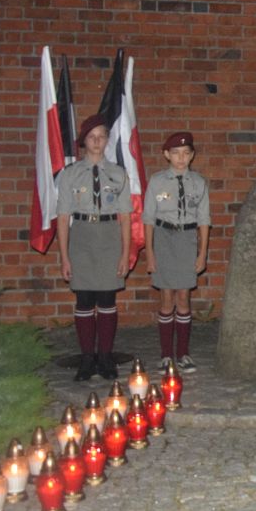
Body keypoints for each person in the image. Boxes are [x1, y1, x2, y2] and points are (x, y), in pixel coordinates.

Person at [56, 114, 132, 381]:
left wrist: (125, 253)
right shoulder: (70, 175)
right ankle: (87, 357)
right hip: (83, 237)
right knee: (85, 299)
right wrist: (65, 257)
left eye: (102, 136)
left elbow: (125, 217)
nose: (97, 141)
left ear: (107, 140)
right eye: (92, 137)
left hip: (109, 236)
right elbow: (64, 218)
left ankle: (106, 356)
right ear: (83, 142)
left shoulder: (119, 174)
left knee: (108, 299)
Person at [143, 132, 211, 373]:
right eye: (175, 154)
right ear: (166, 155)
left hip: (186, 239)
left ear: (192, 156)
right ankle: (165, 355)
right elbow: (148, 219)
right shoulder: (157, 181)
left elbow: (204, 220)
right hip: (164, 238)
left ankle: (183, 353)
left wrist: (202, 254)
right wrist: (150, 253)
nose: (181, 158)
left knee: (183, 297)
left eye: (185, 154)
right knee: (166, 298)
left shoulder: (198, 183)